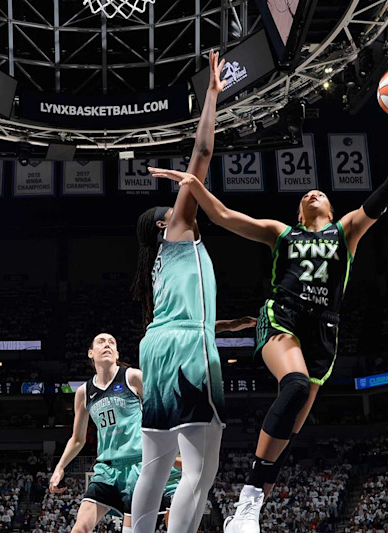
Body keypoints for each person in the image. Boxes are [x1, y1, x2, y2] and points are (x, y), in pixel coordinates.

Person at [149, 81, 388, 532]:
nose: (312, 194)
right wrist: (193, 184)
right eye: (305, 196)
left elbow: (386, 193)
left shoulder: (347, 232)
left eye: (319, 193)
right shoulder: (284, 233)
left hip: (325, 334)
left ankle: (249, 504)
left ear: (332, 207)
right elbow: (225, 218)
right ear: (299, 214)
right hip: (281, 318)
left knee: (291, 428)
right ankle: (248, 503)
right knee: (296, 384)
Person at [129, 48, 233, 533]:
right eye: (169, 209)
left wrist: (238, 323)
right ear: (165, 223)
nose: (176, 208)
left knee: (156, 461)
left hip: (157, 346)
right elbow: (203, 156)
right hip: (189, 347)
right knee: (200, 468)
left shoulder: (158, 265)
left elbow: (194, 310)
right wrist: (211, 95)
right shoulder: (180, 232)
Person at [48, 333, 182, 533]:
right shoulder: (84, 392)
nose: (107, 344)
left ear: (117, 352)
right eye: (101, 342)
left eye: (112, 342)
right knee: (79, 528)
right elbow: (77, 439)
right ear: (91, 353)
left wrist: (173, 452)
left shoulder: (132, 377)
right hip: (107, 470)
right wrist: (59, 467)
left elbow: (165, 411)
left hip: (139, 465)